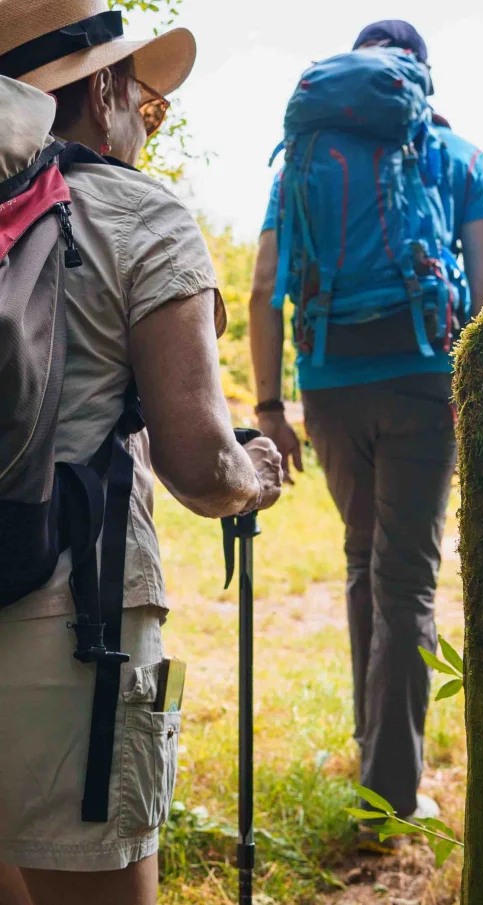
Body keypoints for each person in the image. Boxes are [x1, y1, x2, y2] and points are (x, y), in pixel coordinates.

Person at [0, 2, 282, 904]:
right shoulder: (139, 210)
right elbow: (198, 462)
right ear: (106, 89)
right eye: (147, 105)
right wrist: (255, 474)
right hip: (66, 626)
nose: (147, 129)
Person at [250, 19, 483, 850]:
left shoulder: (303, 157)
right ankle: (389, 797)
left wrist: (269, 408)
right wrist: (478, 391)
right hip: (424, 380)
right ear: (419, 77)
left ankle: (374, 756)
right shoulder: (460, 157)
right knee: (408, 581)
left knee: (364, 562)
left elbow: (261, 291)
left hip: (327, 387)